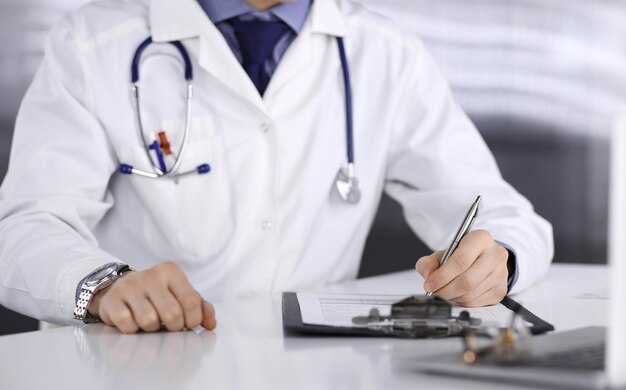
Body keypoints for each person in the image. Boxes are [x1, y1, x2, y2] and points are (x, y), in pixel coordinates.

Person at [0, 0, 553, 334]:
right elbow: (23, 226)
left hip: (314, 385)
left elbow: (505, 215)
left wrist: (497, 259)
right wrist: (99, 286)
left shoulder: (385, 53)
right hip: (133, 376)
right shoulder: (92, 42)